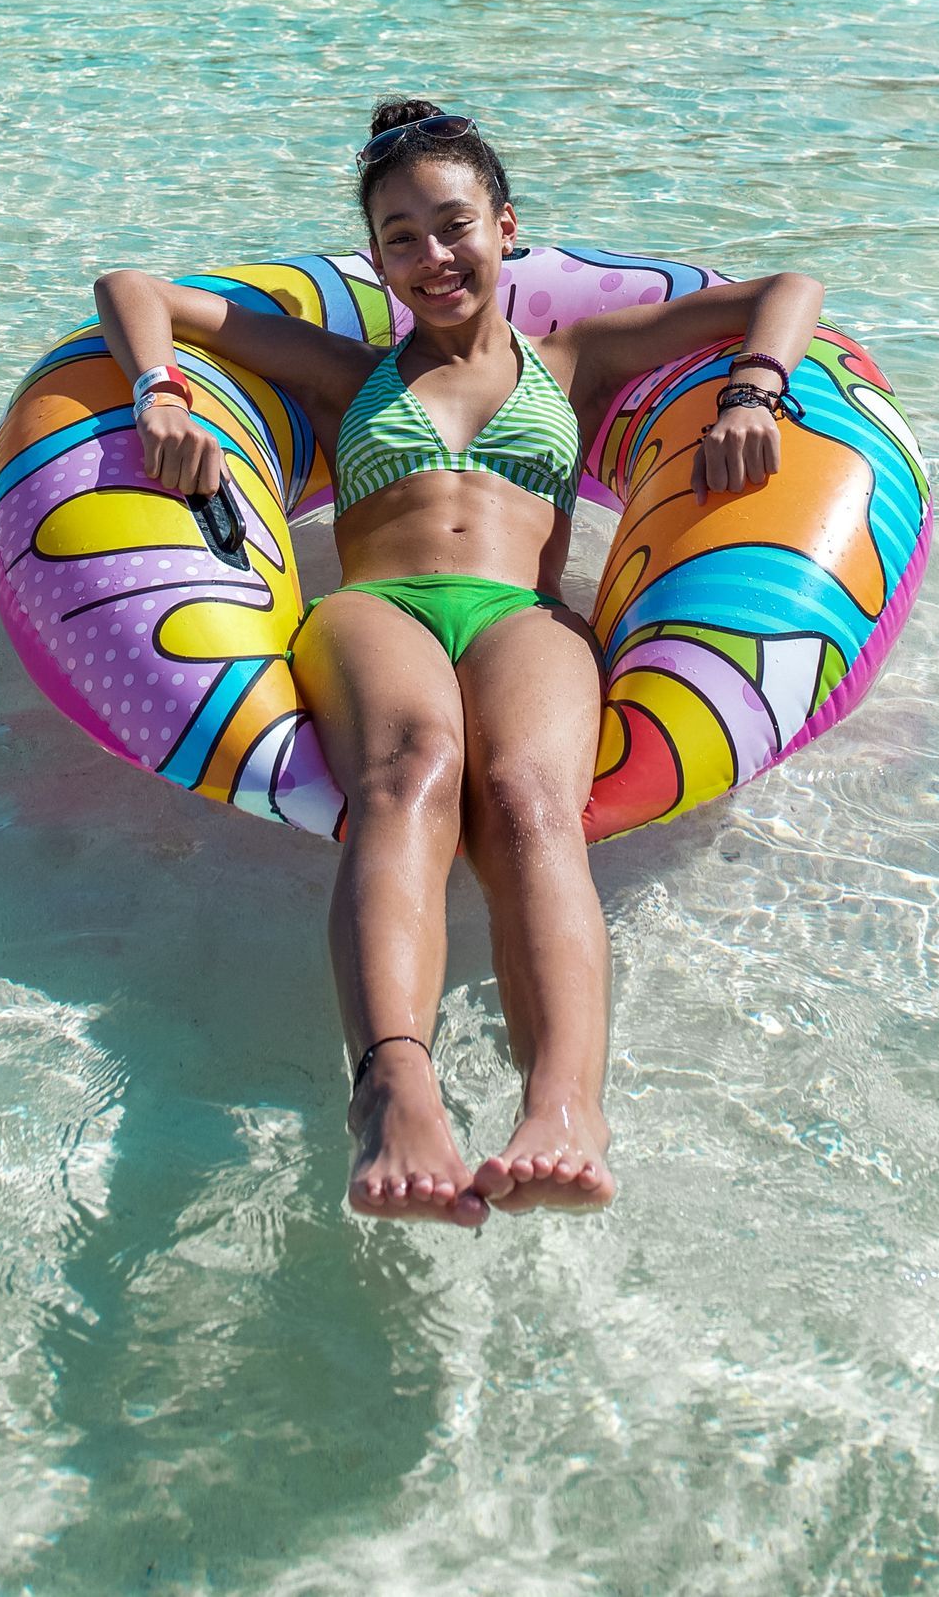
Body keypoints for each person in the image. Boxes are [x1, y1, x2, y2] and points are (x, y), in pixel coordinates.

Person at [93, 100, 823, 1228]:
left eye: (454, 225)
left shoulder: (575, 357)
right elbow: (132, 285)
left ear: (507, 226)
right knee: (417, 769)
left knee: (533, 802)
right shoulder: (348, 370)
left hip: (521, 613)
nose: (433, 258)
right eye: (400, 237)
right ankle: (393, 1089)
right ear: (376, 257)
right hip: (378, 606)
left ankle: (565, 1107)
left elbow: (789, 290)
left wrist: (754, 389)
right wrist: (162, 394)